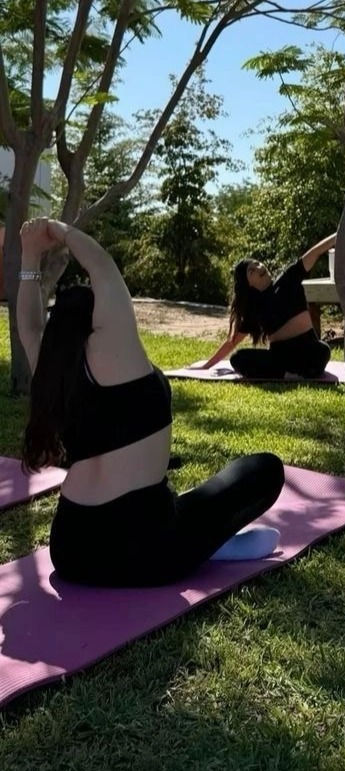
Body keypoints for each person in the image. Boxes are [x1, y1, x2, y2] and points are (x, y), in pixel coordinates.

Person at [17, 218, 285, 587]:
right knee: (264, 469)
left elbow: (29, 325)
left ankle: (199, 537)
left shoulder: (50, 371)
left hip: (70, 549)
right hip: (142, 548)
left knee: (185, 507)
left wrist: (30, 255)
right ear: (97, 318)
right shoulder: (115, 349)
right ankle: (208, 544)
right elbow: (102, 266)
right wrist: (58, 230)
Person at [200, 234, 338, 379]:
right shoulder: (255, 308)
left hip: (307, 350)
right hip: (281, 358)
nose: (259, 267)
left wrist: (341, 233)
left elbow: (316, 252)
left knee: (322, 349)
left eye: (257, 263)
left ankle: (290, 374)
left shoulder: (288, 278)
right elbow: (232, 342)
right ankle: (289, 374)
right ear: (248, 284)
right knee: (238, 358)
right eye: (251, 270)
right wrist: (206, 366)